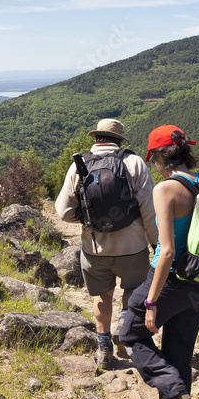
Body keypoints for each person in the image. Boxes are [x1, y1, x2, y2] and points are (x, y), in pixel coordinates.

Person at [119, 124, 199, 399]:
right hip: (197, 285)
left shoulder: (165, 189)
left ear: (158, 156)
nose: (153, 164)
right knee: (178, 354)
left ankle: (170, 390)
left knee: (130, 330)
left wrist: (152, 300)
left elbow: (166, 250)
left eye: (152, 158)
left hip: (168, 280)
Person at [55, 118, 158, 371]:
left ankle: (103, 349)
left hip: (95, 249)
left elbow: (62, 211)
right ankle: (126, 330)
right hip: (132, 247)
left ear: (97, 138)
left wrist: (89, 218)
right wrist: (157, 244)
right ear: (119, 140)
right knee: (133, 290)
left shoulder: (79, 165)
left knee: (102, 296)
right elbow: (150, 210)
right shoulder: (133, 163)